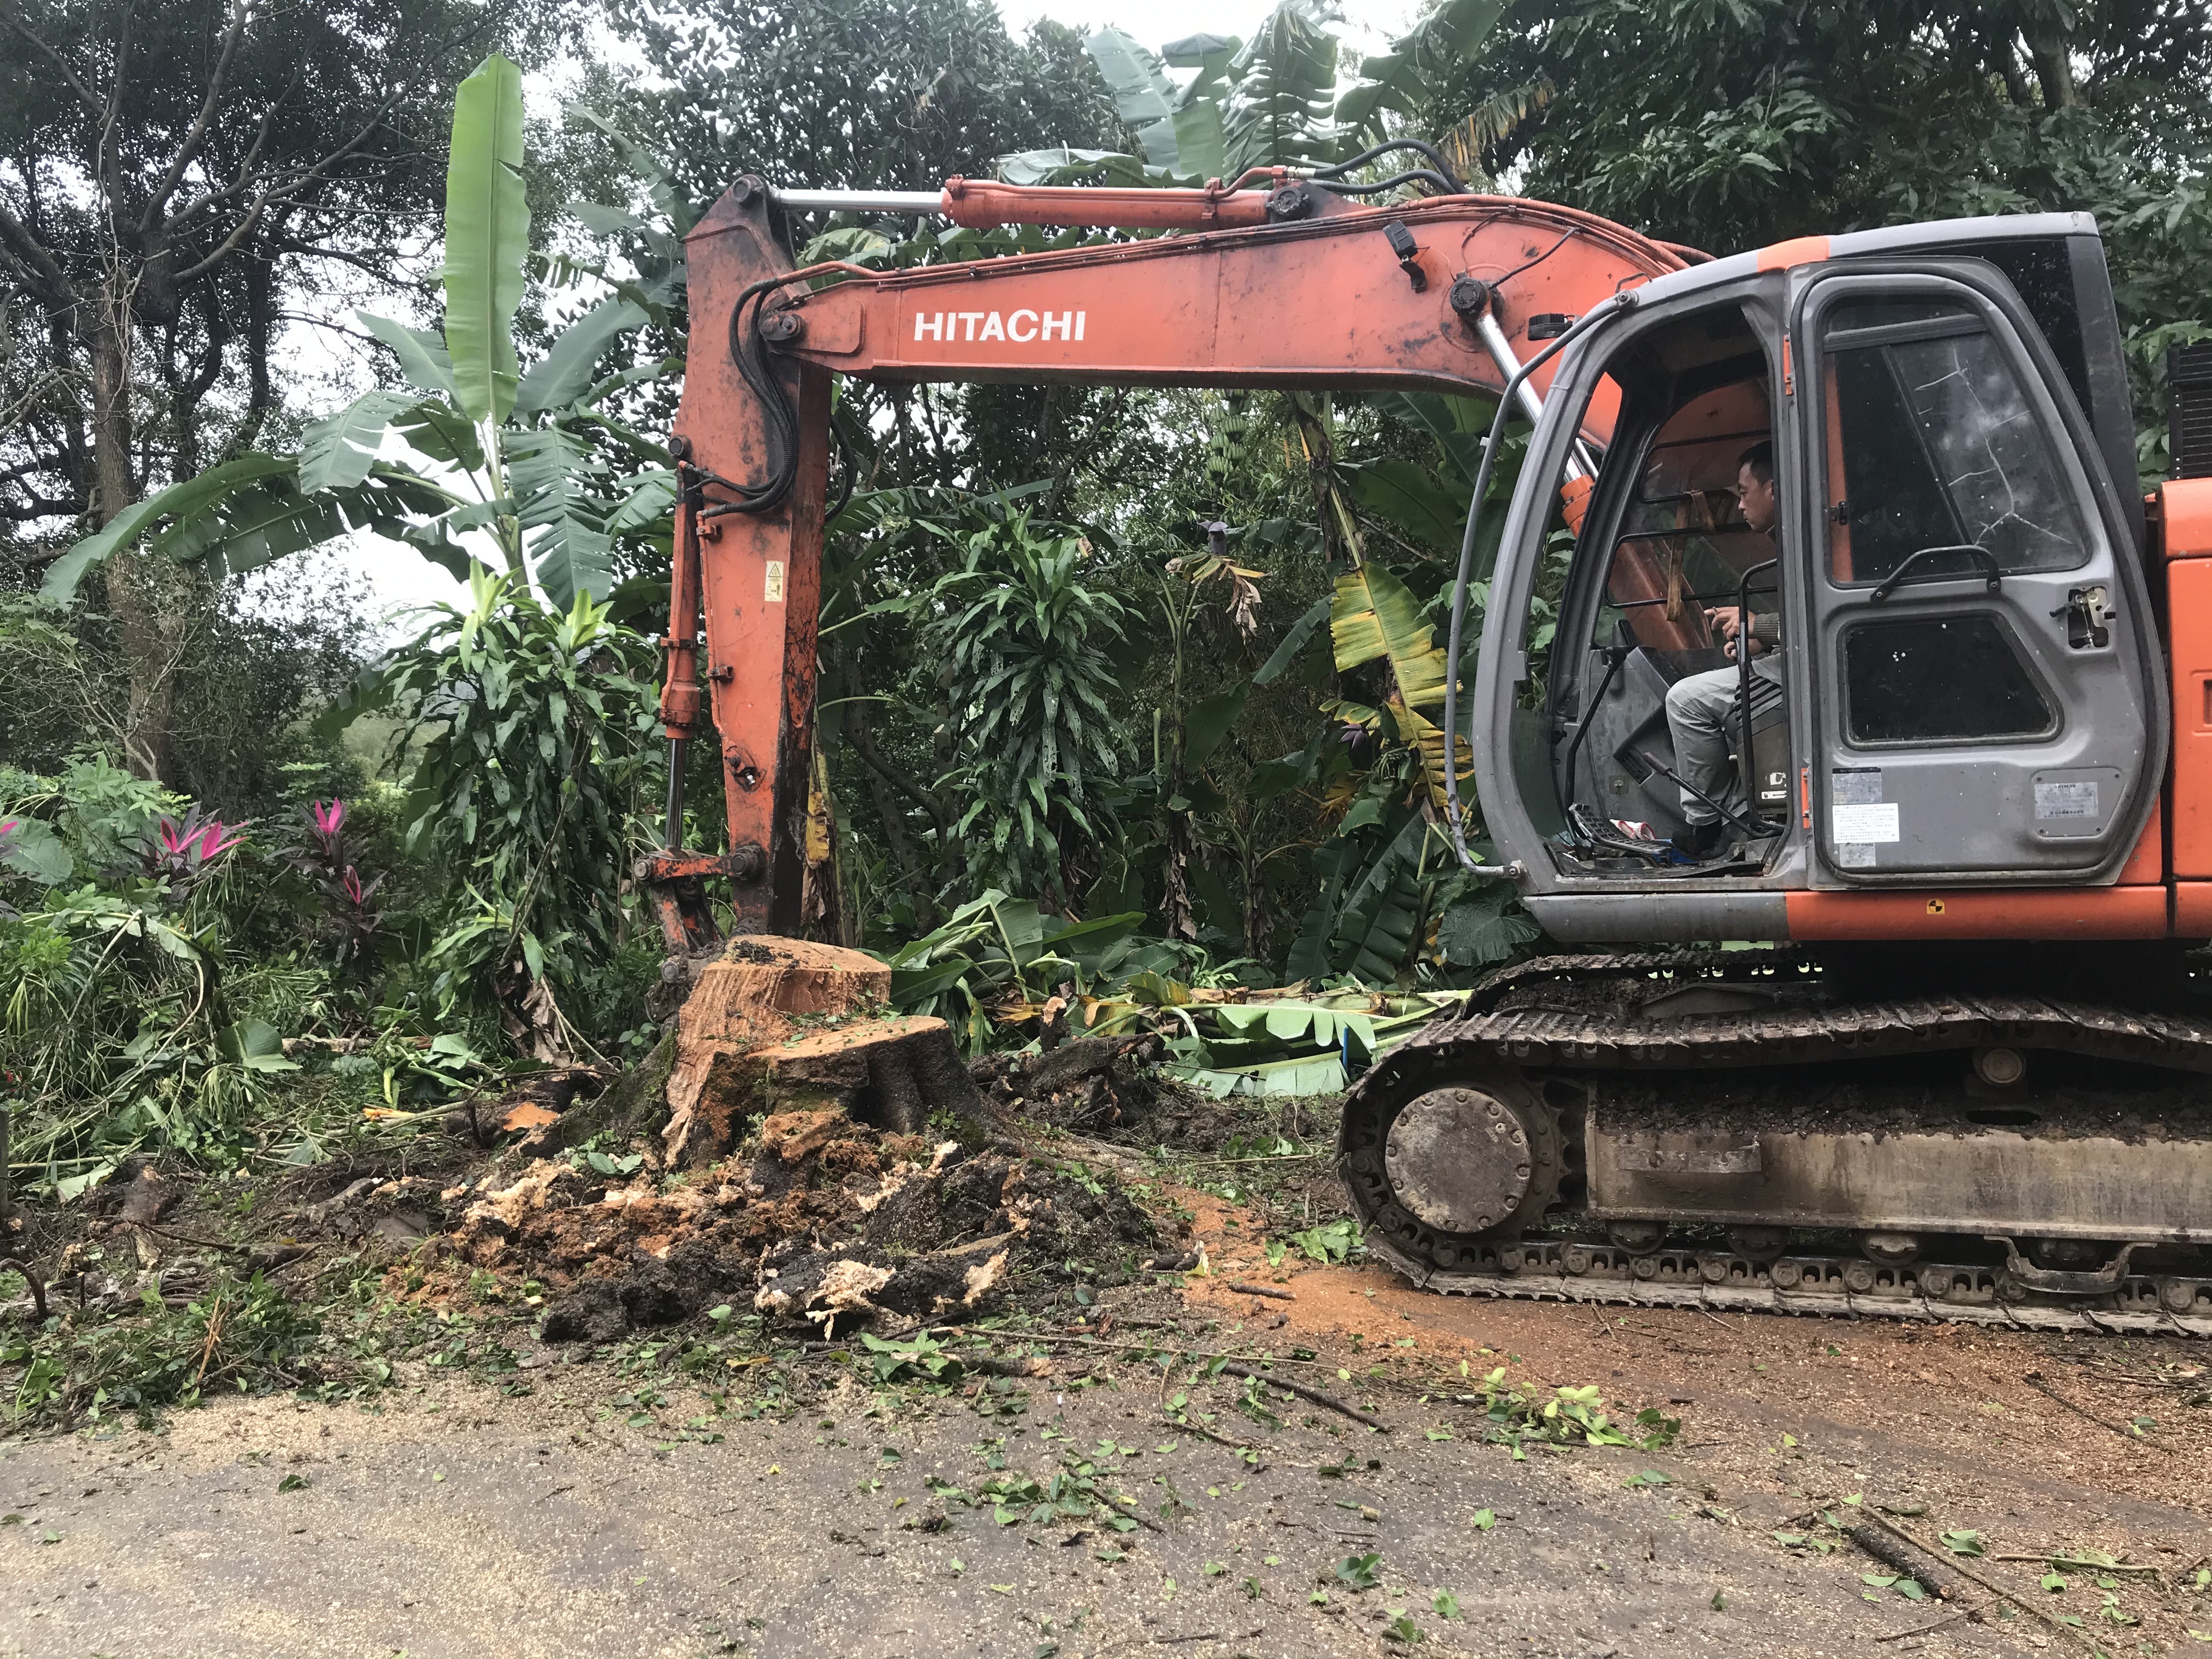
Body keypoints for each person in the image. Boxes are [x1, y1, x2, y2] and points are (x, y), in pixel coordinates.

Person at [1661, 441, 1784, 861]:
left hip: (1808, 675)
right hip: (1801, 664)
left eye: (1744, 492)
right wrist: (1761, 637)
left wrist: (1760, 626)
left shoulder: (1811, 541)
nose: (1740, 504)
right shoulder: (1800, 539)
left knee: (1686, 700)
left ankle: (1707, 822)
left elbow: (1823, 617)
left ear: (1773, 490)